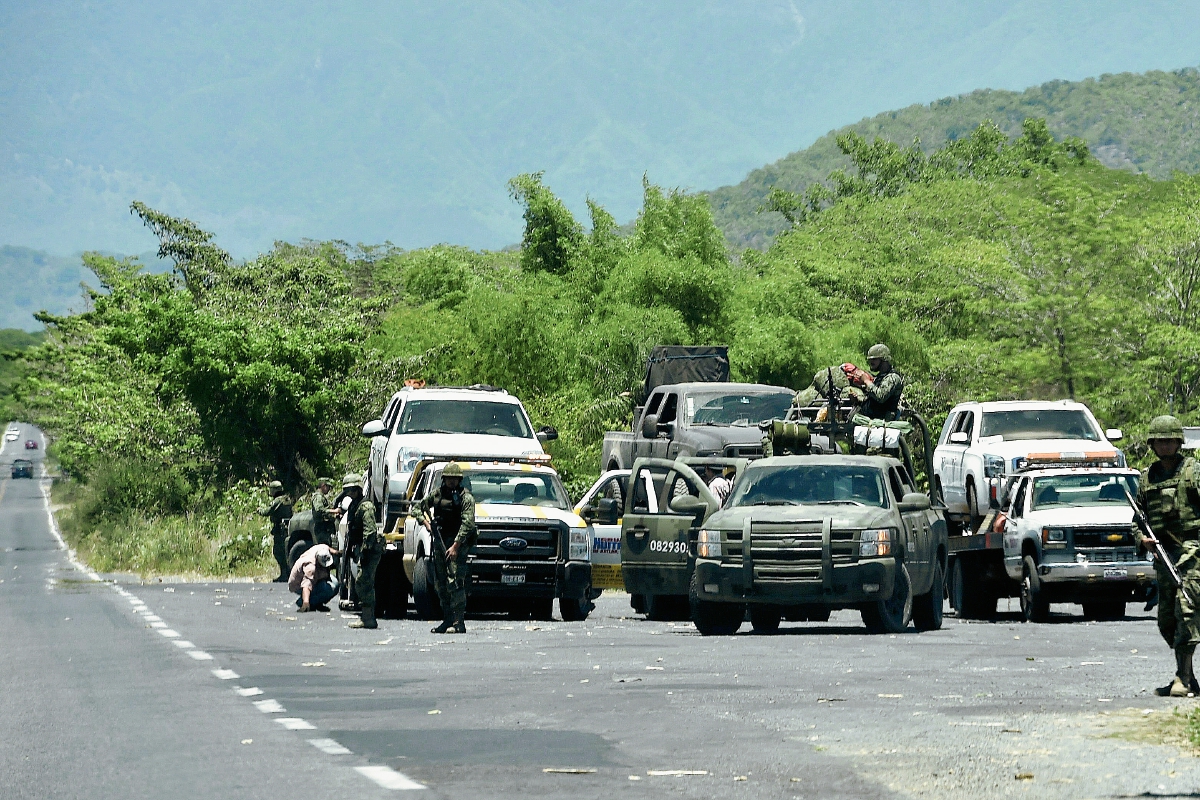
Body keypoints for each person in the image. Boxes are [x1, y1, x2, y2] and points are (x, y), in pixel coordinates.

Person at [1137, 415, 1200, 697]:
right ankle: (1188, 677)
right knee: (1167, 621)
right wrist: (1142, 538)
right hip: (1163, 555)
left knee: (1185, 611)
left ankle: (1182, 679)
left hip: (1191, 551)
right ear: (1153, 444)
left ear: (1179, 442)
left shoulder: (1192, 472)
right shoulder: (1147, 478)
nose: (1165, 446)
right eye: (1160, 442)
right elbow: (1137, 519)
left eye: (1170, 441)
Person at [412, 462, 477, 634]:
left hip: (457, 544)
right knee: (440, 583)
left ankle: (458, 622)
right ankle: (447, 619)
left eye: (455, 479)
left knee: (455, 582)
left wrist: (456, 546)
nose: (451, 482)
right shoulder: (437, 495)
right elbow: (416, 507)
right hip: (440, 542)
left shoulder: (466, 498)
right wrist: (426, 523)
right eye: (449, 479)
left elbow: (468, 523)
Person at [338, 473, 382, 630]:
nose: (348, 493)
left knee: (364, 582)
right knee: (363, 582)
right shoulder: (354, 505)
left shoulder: (365, 506)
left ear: (357, 489)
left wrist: (363, 551)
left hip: (369, 549)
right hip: (362, 548)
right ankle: (367, 616)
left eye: (350, 490)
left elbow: (370, 532)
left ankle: (368, 618)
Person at [843, 344, 904, 421]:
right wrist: (858, 400)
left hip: (879, 421)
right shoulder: (881, 377)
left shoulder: (892, 378)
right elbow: (873, 399)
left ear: (883, 359)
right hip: (869, 418)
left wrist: (866, 381)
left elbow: (880, 396)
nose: (871, 362)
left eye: (874, 359)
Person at [257, 480, 292, 582]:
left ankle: (284, 574)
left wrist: (260, 510)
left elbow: (268, 511)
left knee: (278, 552)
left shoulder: (278, 501)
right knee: (285, 552)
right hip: (286, 529)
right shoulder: (287, 499)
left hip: (280, 530)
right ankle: (287, 573)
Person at [288, 543, 339, 612]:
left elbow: (329, 549)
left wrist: (338, 552)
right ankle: (305, 602)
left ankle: (317, 603)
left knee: (335, 582)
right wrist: (305, 602)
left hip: (313, 578)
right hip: (298, 584)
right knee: (329, 589)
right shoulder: (310, 567)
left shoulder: (323, 548)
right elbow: (306, 585)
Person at [310, 477, 337, 548]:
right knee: (324, 548)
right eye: (328, 487)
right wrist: (333, 511)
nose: (329, 489)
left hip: (325, 528)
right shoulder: (318, 496)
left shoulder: (321, 496)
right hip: (321, 528)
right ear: (323, 486)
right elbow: (319, 509)